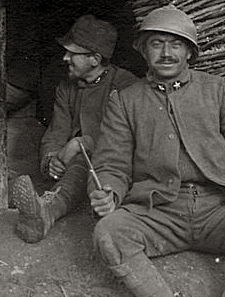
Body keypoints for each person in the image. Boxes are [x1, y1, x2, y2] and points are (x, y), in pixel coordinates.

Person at [88, 5, 225, 297]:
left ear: (190, 53)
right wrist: (108, 192)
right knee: (109, 233)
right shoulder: (125, 101)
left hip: (220, 209)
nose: (166, 53)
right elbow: (112, 163)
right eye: (157, 44)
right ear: (143, 50)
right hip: (160, 213)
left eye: (176, 44)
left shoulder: (219, 90)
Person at [10, 15, 139, 243]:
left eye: (73, 53)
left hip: (113, 167)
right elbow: (56, 132)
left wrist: (81, 143)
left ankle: (47, 212)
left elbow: (126, 139)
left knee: (82, 161)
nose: (65, 57)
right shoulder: (67, 87)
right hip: (74, 165)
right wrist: (51, 160)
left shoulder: (126, 86)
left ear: (95, 59)